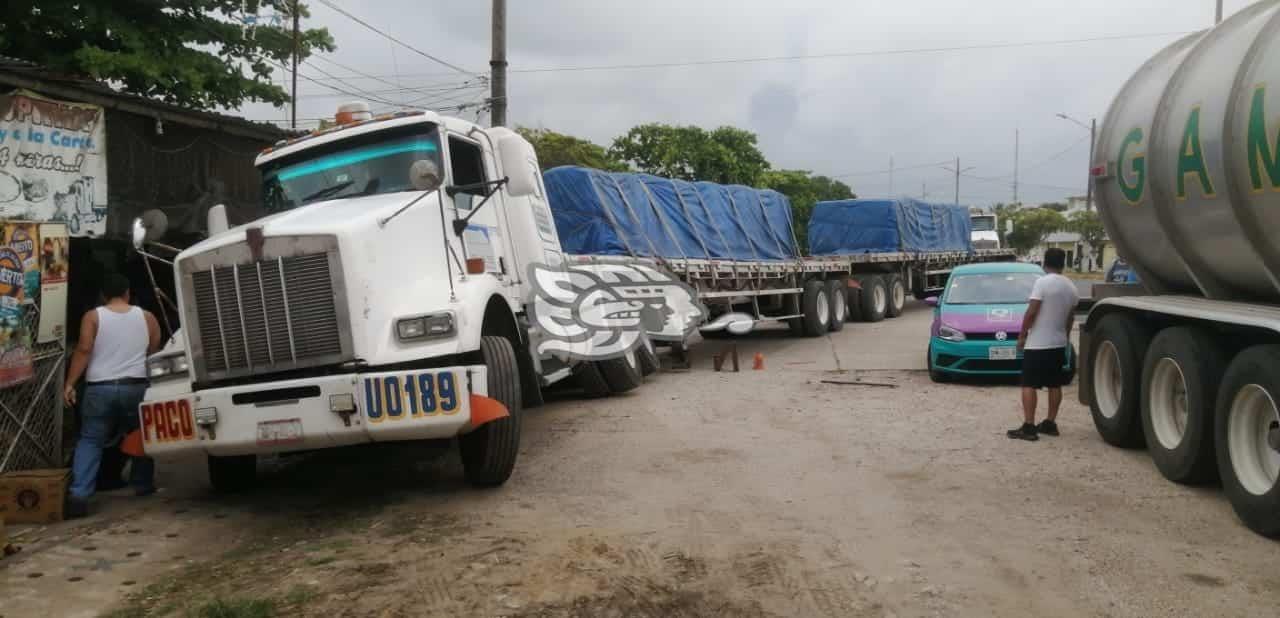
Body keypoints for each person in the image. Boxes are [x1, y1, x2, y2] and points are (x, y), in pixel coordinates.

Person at [64, 273, 162, 517]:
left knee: (90, 439)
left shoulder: (93, 316)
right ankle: (143, 484)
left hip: (100, 388)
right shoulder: (147, 317)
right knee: (140, 434)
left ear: (103, 295)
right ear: (128, 292)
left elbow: (84, 349)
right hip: (136, 386)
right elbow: (153, 350)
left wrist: (69, 384)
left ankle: (79, 494)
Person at [1009, 248, 1079, 441]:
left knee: (1029, 384)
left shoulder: (1042, 283)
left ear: (1044, 263)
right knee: (1055, 384)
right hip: (1058, 343)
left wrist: (1022, 336)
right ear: (1063, 264)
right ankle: (1050, 423)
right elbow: (1070, 317)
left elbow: (1031, 312)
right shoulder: (1071, 287)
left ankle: (1029, 426)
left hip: (1038, 343)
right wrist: (1064, 338)